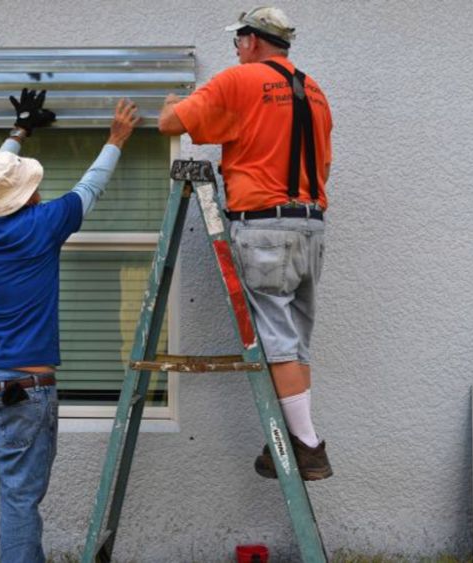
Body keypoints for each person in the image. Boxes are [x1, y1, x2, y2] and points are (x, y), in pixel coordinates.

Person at [0, 90, 139, 562]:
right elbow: (91, 187)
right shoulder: (42, 223)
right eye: (32, 185)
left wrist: (19, 130)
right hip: (25, 391)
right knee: (18, 502)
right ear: (25, 196)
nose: (39, 189)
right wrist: (116, 138)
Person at [157, 7, 334, 480]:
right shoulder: (313, 91)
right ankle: (297, 440)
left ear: (253, 41)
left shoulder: (240, 80)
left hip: (265, 227)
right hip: (310, 226)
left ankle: (308, 445)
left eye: (238, 40)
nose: (235, 48)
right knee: (294, 345)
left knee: (277, 343)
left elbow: (171, 124)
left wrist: (173, 98)